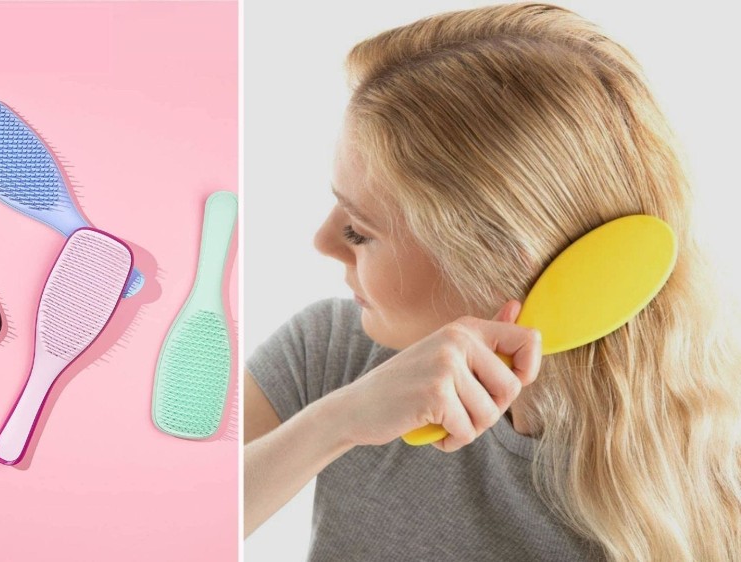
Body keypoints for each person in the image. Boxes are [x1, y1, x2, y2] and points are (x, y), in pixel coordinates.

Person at [243, 3, 741, 560]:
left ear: (491, 264)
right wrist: (334, 423)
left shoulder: (714, 483)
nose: (322, 241)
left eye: (359, 231)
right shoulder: (337, 352)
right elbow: (158, 518)